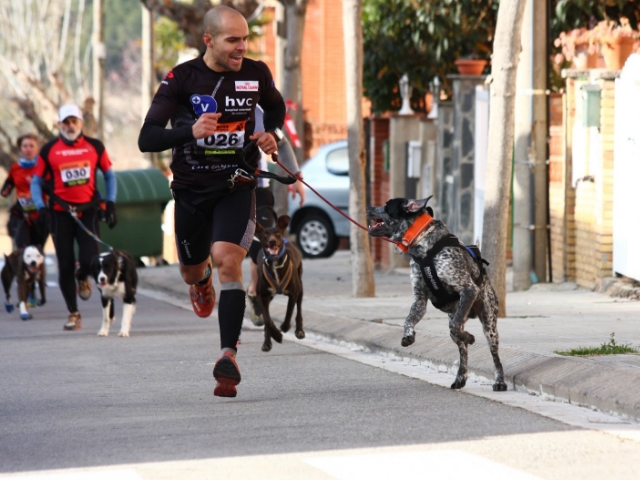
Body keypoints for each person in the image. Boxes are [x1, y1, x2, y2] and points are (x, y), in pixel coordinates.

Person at [138, 5, 296, 398]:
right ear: (208, 40)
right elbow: (147, 138)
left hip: (236, 185)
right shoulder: (181, 79)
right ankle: (200, 282)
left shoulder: (256, 73)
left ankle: (228, 356)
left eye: (245, 39)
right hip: (191, 192)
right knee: (193, 271)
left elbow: (276, 108)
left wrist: (269, 133)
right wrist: (189, 131)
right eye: (233, 41)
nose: (242, 47)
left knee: (229, 258)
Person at [31, 104, 118, 331]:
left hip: (88, 211)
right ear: (59, 124)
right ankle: (73, 313)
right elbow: (36, 181)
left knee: (91, 261)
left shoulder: (95, 146)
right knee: (66, 264)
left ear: (81, 123)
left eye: (74, 122)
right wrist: (40, 207)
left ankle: (83, 277)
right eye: (66, 122)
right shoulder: (49, 150)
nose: (70, 126)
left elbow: (109, 175)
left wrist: (110, 203)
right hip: (60, 214)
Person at [244, 106, 305, 327]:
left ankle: (254, 290)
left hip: (259, 189)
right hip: (224, 191)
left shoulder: (257, 109)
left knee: (262, 243)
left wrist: (296, 178)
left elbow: (282, 142)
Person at [1, 133, 48, 251]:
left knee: (37, 251)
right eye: (25, 146)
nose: (28, 149)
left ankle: (38, 269)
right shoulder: (15, 168)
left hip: (40, 216)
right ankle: (17, 268)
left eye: (31, 146)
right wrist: (6, 188)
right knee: (21, 250)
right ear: (20, 149)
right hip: (21, 215)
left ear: (37, 149)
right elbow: (5, 190)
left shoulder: (43, 168)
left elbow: (52, 188)